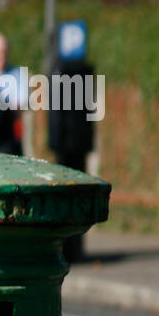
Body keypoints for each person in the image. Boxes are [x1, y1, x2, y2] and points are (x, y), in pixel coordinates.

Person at [48, 55, 96, 262]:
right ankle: (74, 247)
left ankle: (70, 248)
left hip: (66, 147)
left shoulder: (60, 75)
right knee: (78, 197)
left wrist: (55, 142)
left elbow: (57, 119)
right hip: (76, 146)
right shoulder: (83, 76)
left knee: (67, 198)